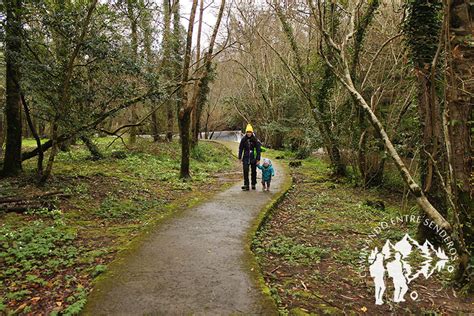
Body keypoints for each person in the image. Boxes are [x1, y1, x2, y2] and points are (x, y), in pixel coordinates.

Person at [238, 124, 261, 191]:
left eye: (250, 132)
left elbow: (258, 150)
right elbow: (240, 148)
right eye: (247, 132)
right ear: (246, 132)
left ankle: (253, 184)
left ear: (252, 132)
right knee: (245, 171)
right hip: (245, 158)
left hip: (253, 158)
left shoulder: (255, 140)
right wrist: (239, 157)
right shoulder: (243, 139)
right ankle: (246, 185)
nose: (249, 133)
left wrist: (258, 159)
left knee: (253, 171)